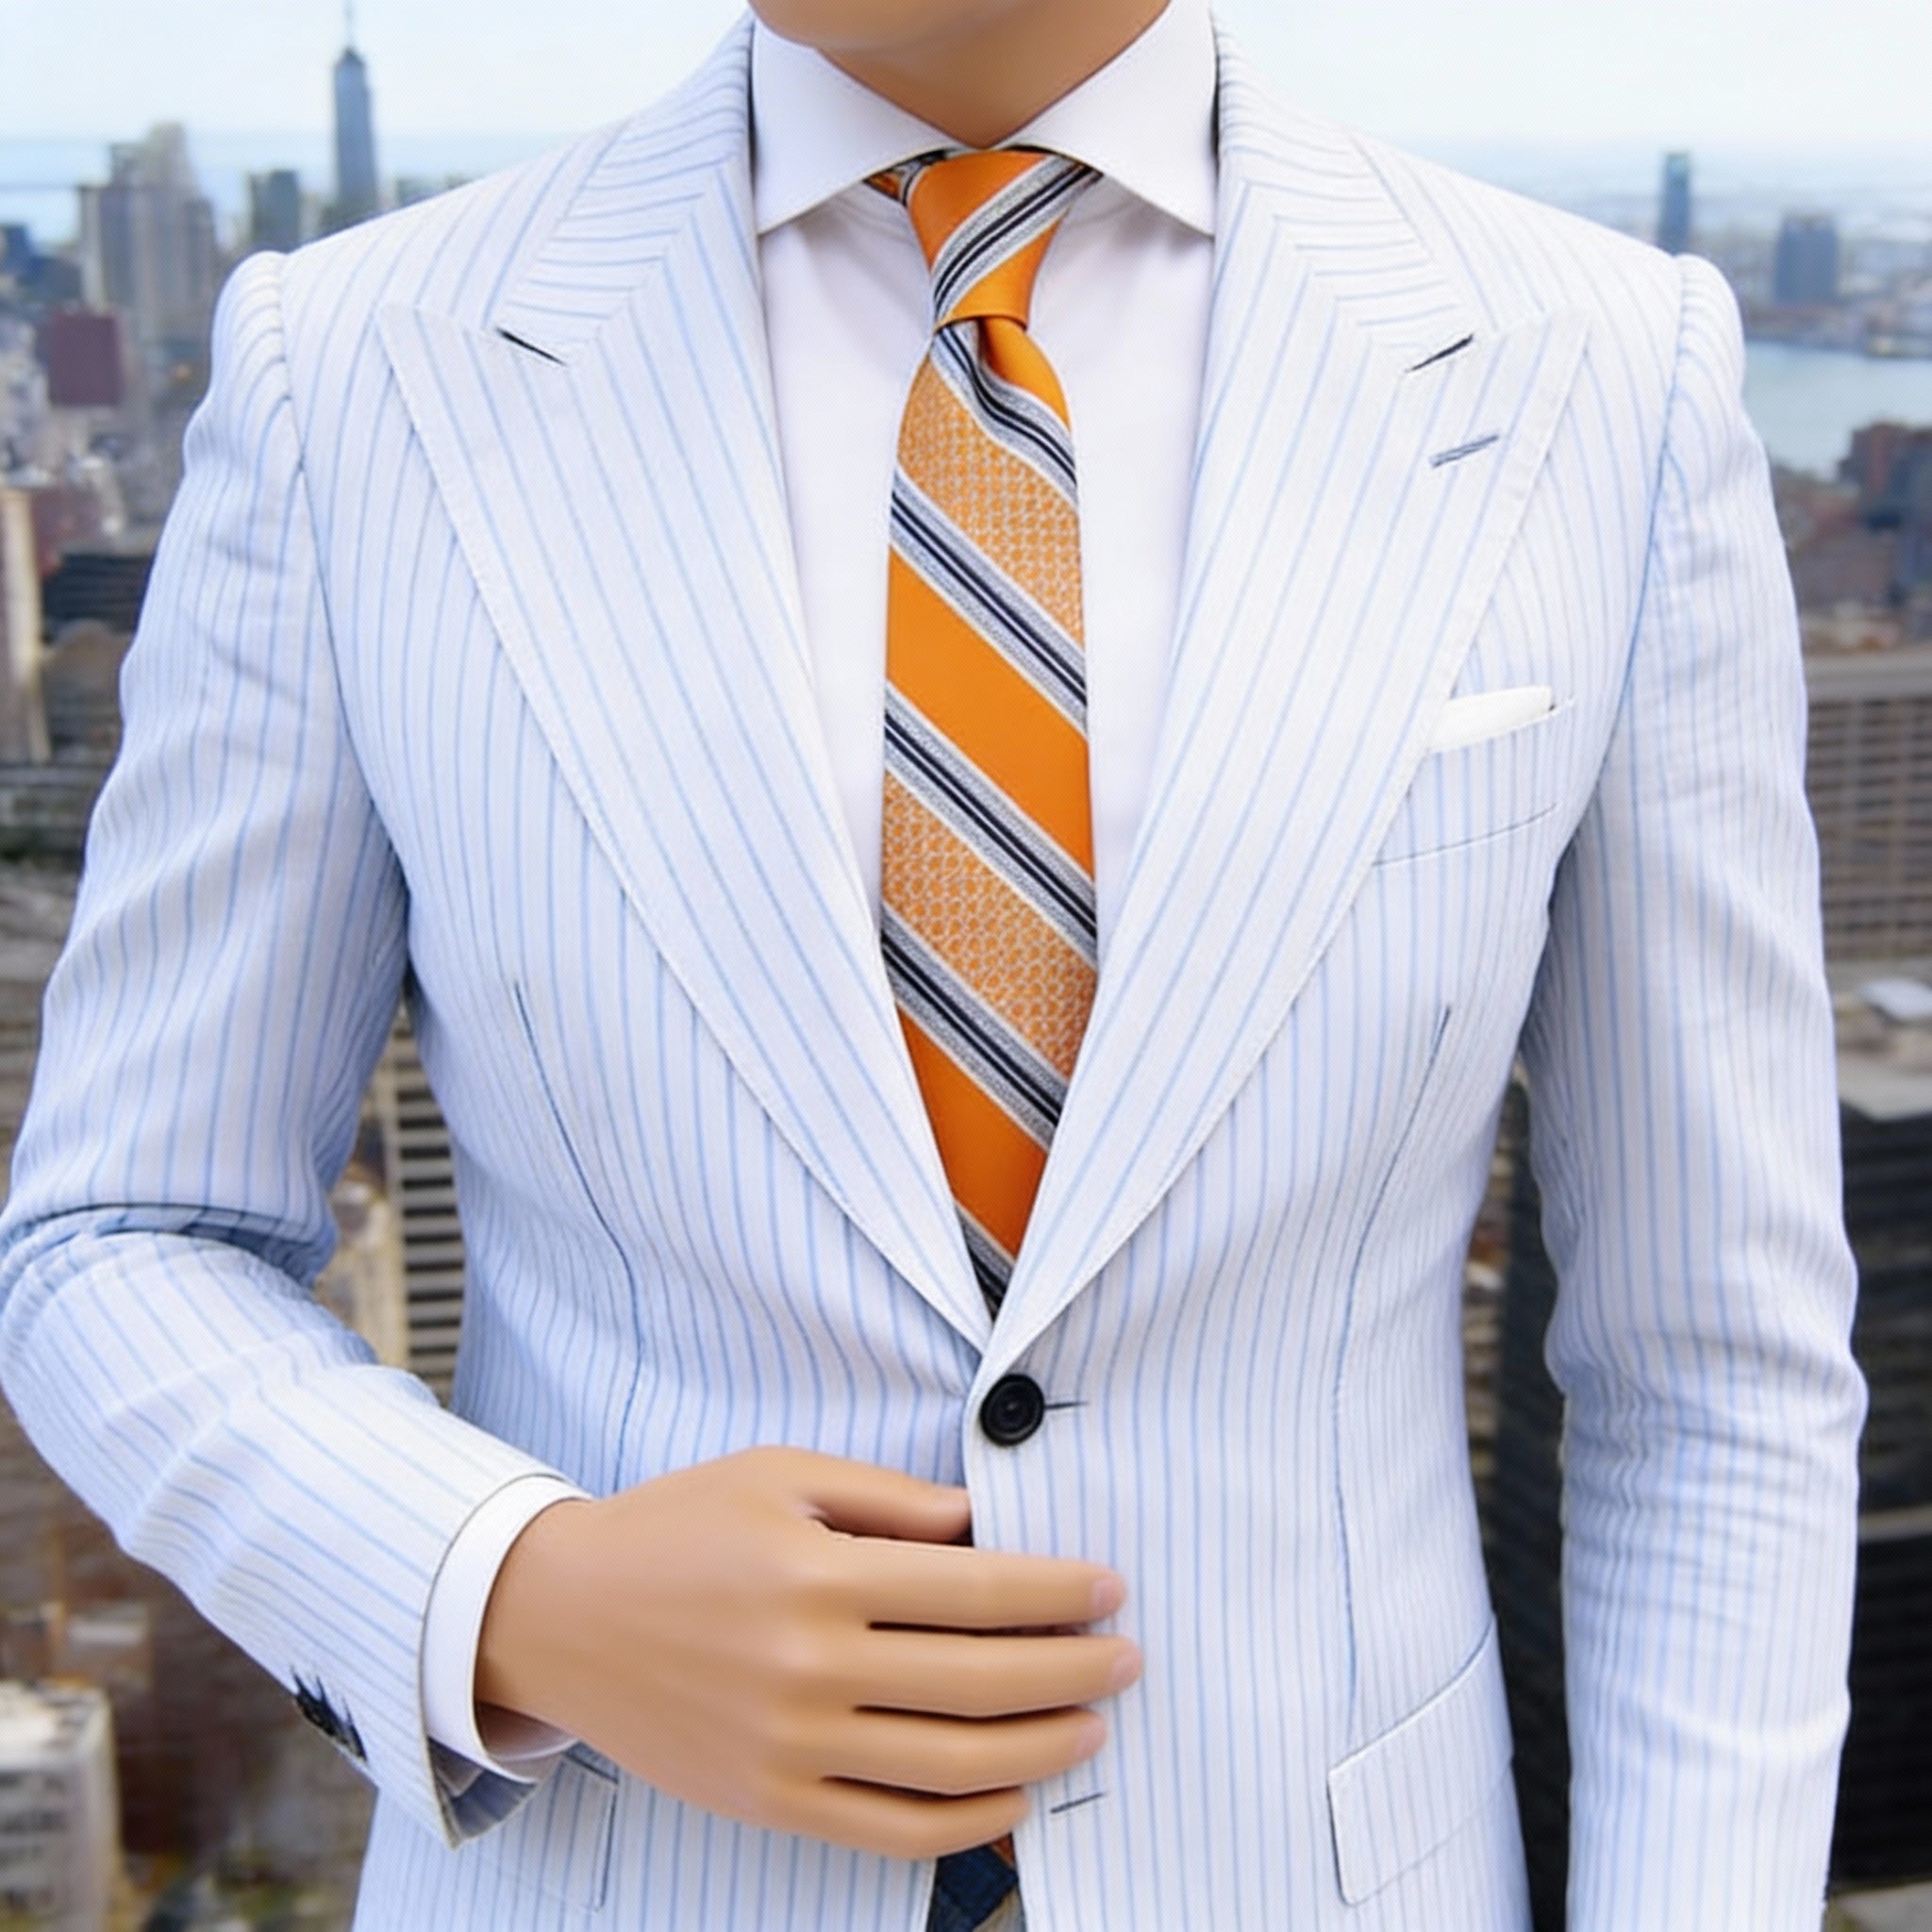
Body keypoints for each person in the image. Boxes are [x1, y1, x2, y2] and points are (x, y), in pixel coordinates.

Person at [0, 0, 1865, 1926]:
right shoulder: (357, 372)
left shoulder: (1602, 375)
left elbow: (1709, 1370)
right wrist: (504, 1590)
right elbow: (122, 1232)